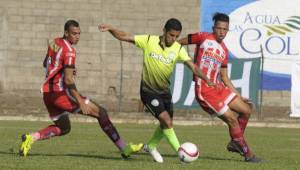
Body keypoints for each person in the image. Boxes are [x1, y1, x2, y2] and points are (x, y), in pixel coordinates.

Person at [19, 20, 143, 158]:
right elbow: (68, 80)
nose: (77, 37)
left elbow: (46, 63)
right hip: (60, 93)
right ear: (66, 33)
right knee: (101, 113)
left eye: (79, 34)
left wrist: (66, 69)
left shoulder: (54, 42)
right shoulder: (70, 51)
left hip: (48, 94)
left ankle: (31, 137)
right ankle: (124, 149)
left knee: (64, 128)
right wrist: (80, 101)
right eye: (73, 34)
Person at [98, 18, 214, 163]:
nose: (174, 39)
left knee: (166, 123)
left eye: (177, 36)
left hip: (165, 92)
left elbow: (193, 67)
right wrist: (111, 28)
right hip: (148, 91)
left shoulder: (178, 48)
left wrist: (206, 79)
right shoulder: (148, 40)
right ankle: (182, 152)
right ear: (164, 31)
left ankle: (149, 147)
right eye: (171, 35)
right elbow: (124, 36)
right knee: (166, 120)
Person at [179, 13, 262, 163]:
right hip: (204, 89)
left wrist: (239, 95)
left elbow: (224, 77)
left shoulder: (224, 50)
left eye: (225, 29)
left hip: (218, 87)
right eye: (219, 28)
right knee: (232, 119)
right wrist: (170, 50)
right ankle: (248, 154)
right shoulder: (203, 37)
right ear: (213, 28)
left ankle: (235, 141)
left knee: (246, 109)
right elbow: (180, 43)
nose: (222, 32)